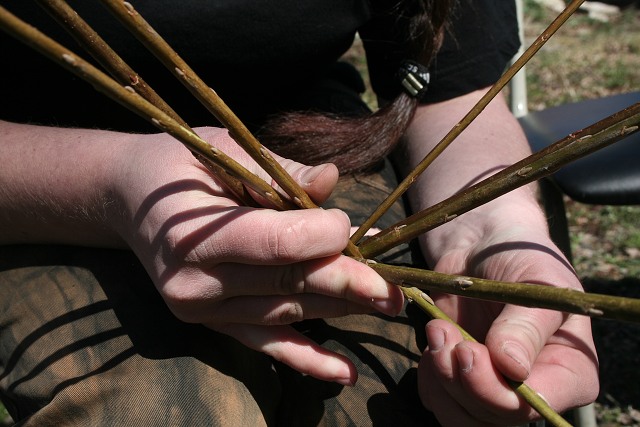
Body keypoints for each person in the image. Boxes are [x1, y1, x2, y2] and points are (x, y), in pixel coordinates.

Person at [0, 1, 599, 425]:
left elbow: (453, 93)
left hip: (322, 155)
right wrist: (111, 185)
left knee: (406, 400)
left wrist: (499, 232)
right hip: (46, 186)